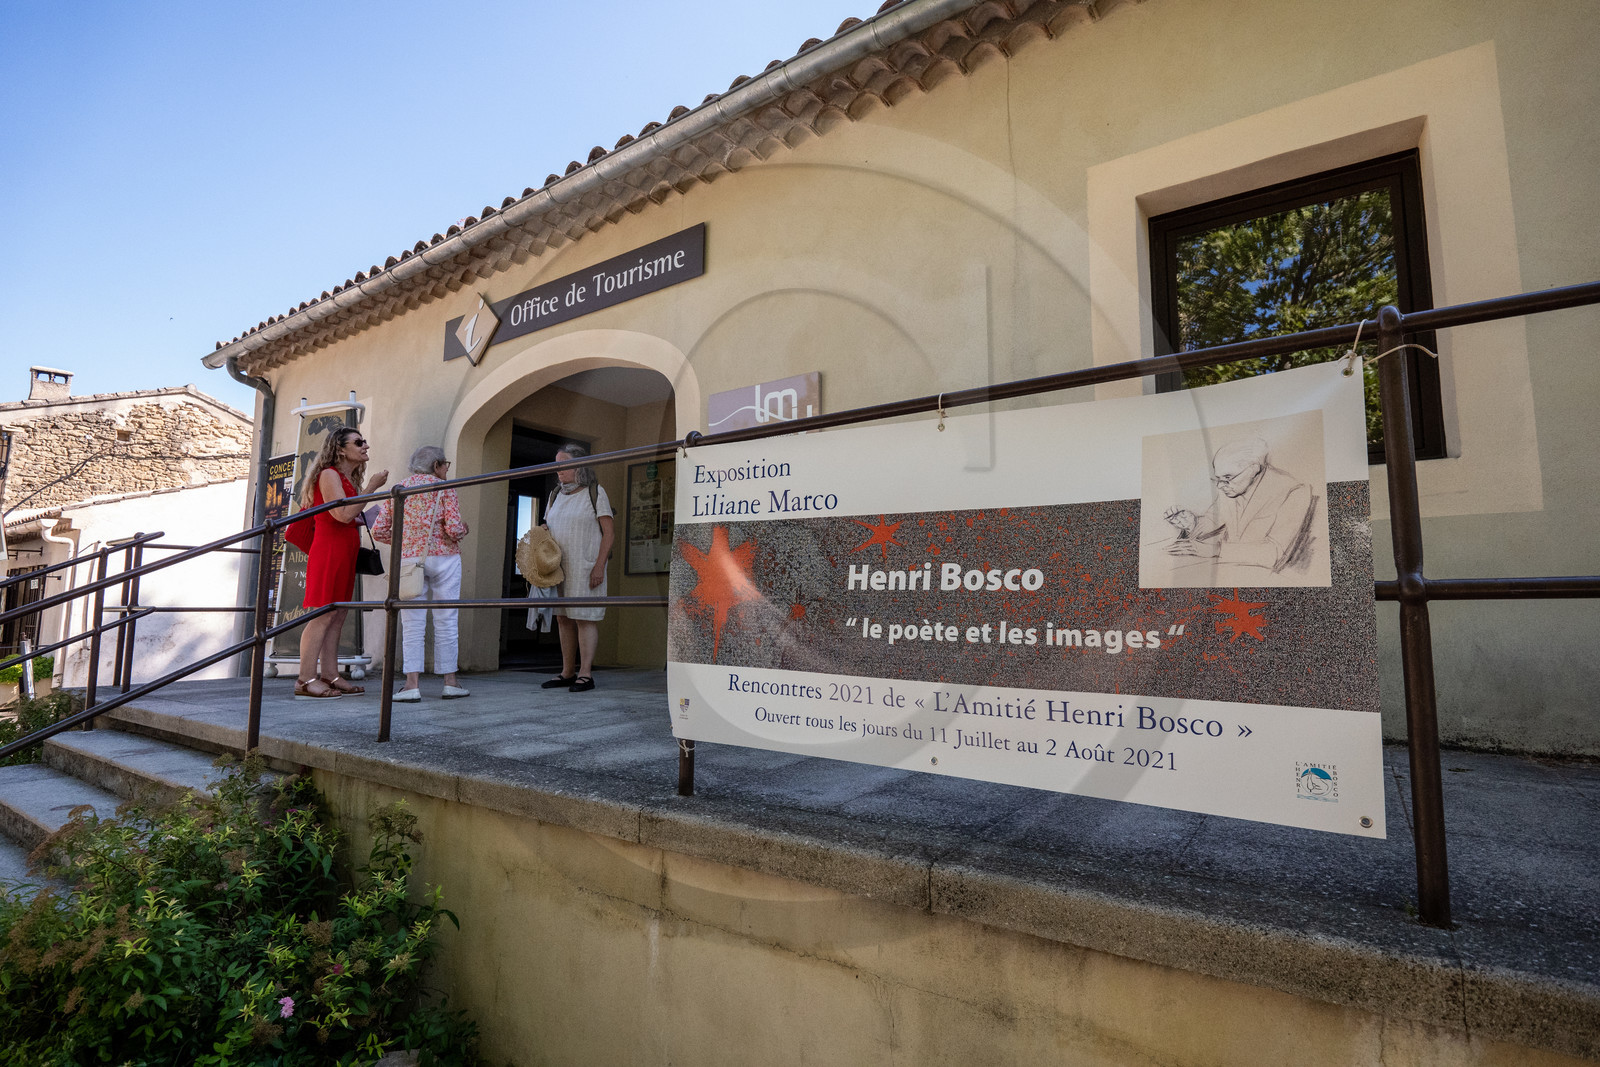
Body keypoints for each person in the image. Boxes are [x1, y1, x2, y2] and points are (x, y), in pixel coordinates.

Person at [371, 446, 470, 701]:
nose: (447, 468)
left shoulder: (399, 489)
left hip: (409, 560)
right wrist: (464, 529)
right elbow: (455, 530)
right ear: (436, 465)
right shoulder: (445, 488)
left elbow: (379, 530)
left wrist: (407, 540)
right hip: (445, 558)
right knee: (447, 619)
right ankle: (450, 682)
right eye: (446, 464)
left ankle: (411, 685)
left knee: (412, 623)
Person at [295, 427, 387, 699]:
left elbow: (346, 515)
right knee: (322, 615)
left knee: (337, 616)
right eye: (358, 442)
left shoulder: (345, 479)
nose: (365, 446)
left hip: (344, 552)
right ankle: (304, 679)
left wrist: (365, 515)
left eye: (365, 441)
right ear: (340, 449)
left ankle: (330, 675)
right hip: (329, 551)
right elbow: (341, 515)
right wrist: (371, 487)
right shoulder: (329, 474)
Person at [1163, 436, 1317, 573]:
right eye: (1218, 479)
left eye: (1228, 477)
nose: (1220, 486)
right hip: (1228, 573)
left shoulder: (1294, 491)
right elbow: (1213, 520)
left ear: (1253, 469)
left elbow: (1273, 553)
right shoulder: (1231, 487)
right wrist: (1193, 523)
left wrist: (1216, 549)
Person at [540, 443, 614, 692]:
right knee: (563, 618)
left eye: (564, 464)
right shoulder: (555, 495)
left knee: (584, 617)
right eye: (556, 464)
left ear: (579, 466)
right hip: (559, 568)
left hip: (586, 566)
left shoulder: (595, 492)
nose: (558, 469)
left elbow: (609, 533)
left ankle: (586, 673)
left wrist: (599, 566)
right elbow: (547, 527)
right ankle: (567, 671)